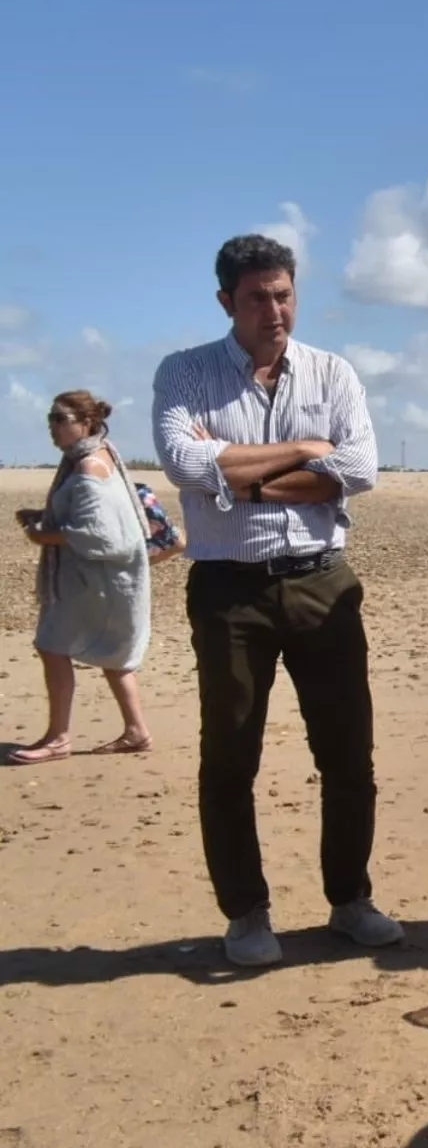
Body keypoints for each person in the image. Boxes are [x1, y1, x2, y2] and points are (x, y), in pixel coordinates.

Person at [152, 233, 400, 969]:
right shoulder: (187, 373)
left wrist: (234, 474)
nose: (275, 310)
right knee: (230, 755)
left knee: (348, 751)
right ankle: (247, 912)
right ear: (227, 300)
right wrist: (304, 451)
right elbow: (181, 462)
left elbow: (360, 466)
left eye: (284, 293)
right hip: (229, 587)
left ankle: (350, 899)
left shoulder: (332, 372)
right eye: (258, 296)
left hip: (322, 579)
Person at [10, 391, 154, 764]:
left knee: (52, 645)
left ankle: (58, 738)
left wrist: (45, 536)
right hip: (103, 577)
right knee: (113, 656)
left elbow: (99, 534)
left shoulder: (89, 466)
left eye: (61, 419)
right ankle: (136, 730)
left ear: (86, 423)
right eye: (51, 419)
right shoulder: (98, 455)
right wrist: (46, 515)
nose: (53, 427)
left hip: (95, 579)